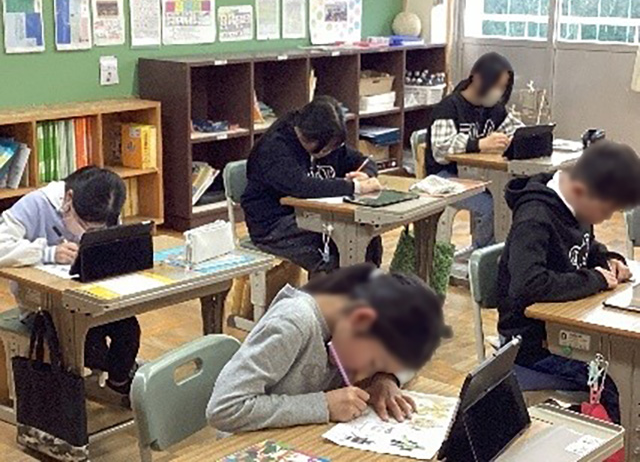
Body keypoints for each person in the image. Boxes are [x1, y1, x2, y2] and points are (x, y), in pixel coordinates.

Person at [497, 141, 640, 423]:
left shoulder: (576, 206)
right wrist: (594, 279)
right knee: (616, 383)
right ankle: (612, 442)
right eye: (606, 209)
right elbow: (529, 284)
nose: (606, 218)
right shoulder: (534, 218)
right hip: (532, 345)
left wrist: (608, 259)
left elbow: (585, 247)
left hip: (568, 333)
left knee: (630, 367)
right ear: (579, 190)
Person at [206, 264, 445, 432]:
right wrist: (323, 406)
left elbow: (408, 366)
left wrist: (385, 379)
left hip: (301, 437)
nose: (363, 378)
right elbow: (224, 408)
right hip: (249, 444)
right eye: (372, 363)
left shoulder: (359, 333)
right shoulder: (293, 324)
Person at [0, 166, 140, 395]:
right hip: (43, 308)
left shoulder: (105, 210)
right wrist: (47, 253)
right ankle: (96, 384)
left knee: (128, 329)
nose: (85, 233)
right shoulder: (36, 204)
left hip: (92, 299)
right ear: (69, 198)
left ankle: (119, 384)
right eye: (84, 225)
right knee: (88, 342)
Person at [242, 96, 383, 274]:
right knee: (334, 246)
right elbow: (302, 187)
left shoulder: (327, 141)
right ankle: (332, 290)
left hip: (315, 215)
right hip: (273, 225)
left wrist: (366, 173)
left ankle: (366, 286)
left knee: (367, 236)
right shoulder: (274, 148)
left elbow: (362, 160)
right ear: (313, 140)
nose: (331, 152)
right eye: (328, 148)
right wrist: (355, 187)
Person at [426, 52, 524, 249]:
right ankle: (482, 255)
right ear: (477, 79)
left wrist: (518, 139)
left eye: (503, 87)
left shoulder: (494, 109)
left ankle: (500, 250)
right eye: (495, 86)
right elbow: (440, 150)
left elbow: (517, 129)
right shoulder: (449, 107)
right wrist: (479, 144)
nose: (498, 92)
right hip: (445, 177)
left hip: (478, 176)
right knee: (493, 207)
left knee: (513, 199)